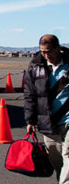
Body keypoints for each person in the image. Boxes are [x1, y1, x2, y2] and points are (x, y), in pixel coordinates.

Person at [24, 34, 69, 182]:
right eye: (42, 52)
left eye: (49, 51)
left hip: (68, 120)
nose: (46, 55)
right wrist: (30, 120)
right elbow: (30, 95)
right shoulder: (35, 67)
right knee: (58, 163)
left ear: (58, 48)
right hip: (48, 122)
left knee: (68, 158)